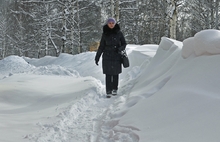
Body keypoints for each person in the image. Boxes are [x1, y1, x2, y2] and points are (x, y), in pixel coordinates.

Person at [95, 17, 127, 98]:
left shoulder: (119, 33)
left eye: (113, 23)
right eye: (110, 23)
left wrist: (120, 49)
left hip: (116, 56)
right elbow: (101, 46)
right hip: (107, 56)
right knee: (108, 74)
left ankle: (114, 89)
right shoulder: (105, 33)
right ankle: (108, 91)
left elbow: (124, 44)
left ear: (115, 24)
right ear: (107, 24)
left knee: (115, 73)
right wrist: (97, 57)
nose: (111, 24)